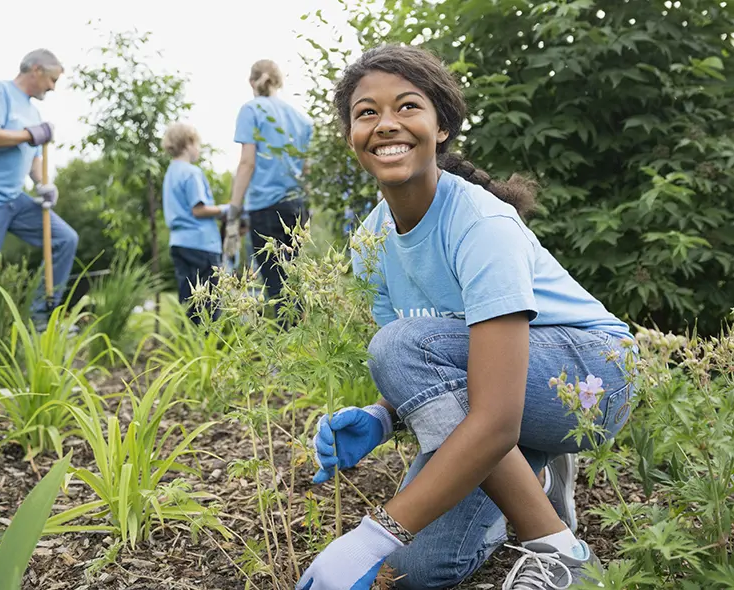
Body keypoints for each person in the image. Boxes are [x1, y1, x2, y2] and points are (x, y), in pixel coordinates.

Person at [297, 45, 636, 590]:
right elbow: (441, 374)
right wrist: (383, 416)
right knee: (422, 564)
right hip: (503, 387)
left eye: (408, 106)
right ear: (350, 136)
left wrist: (371, 535)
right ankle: (534, 473)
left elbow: (486, 408)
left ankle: (557, 550)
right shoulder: (371, 241)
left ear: (443, 126)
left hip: (592, 376)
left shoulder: (481, 224)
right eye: (366, 113)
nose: (386, 124)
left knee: (399, 347)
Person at [0, 48, 78, 331]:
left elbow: (32, 155)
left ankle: (41, 318)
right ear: (36, 70)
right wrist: (30, 134)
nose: (53, 88)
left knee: (65, 239)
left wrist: (43, 183)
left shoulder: (32, 110)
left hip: (13, 199)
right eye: (52, 80)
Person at [223, 59, 313, 316]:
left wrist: (234, 211)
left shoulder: (251, 110)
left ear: (252, 82)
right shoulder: (301, 120)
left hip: (265, 209)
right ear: (279, 81)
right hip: (297, 208)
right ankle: (303, 346)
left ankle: (287, 352)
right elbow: (306, 170)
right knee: (296, 283)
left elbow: (247, 163)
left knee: (277, 288)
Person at [161, 122, 229, 323]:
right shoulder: (191, 173)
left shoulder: (170, 173)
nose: (198, 149)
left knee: (190, 304)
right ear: (188, 143)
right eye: (197, 144)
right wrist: (227, 209)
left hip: (179, 244)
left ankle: (190, 350)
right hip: (201, 245)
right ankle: (209, 351)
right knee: (209, 307)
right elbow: (198, 209)